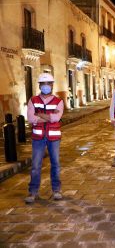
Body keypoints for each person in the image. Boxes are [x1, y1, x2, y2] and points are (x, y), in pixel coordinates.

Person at [25, 73, 64, 203]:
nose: (46, 86)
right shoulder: (33, 100)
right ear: (40, 85)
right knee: (36, 165)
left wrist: (39, 114)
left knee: (56, 164)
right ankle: (33, 192)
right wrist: (49, 116)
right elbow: (31, 118)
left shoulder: (59, 101)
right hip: (38, 137)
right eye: (43, 84)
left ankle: (56, 190)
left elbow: (56, 118)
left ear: (52, 85)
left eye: (48, 84)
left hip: (54, 138)